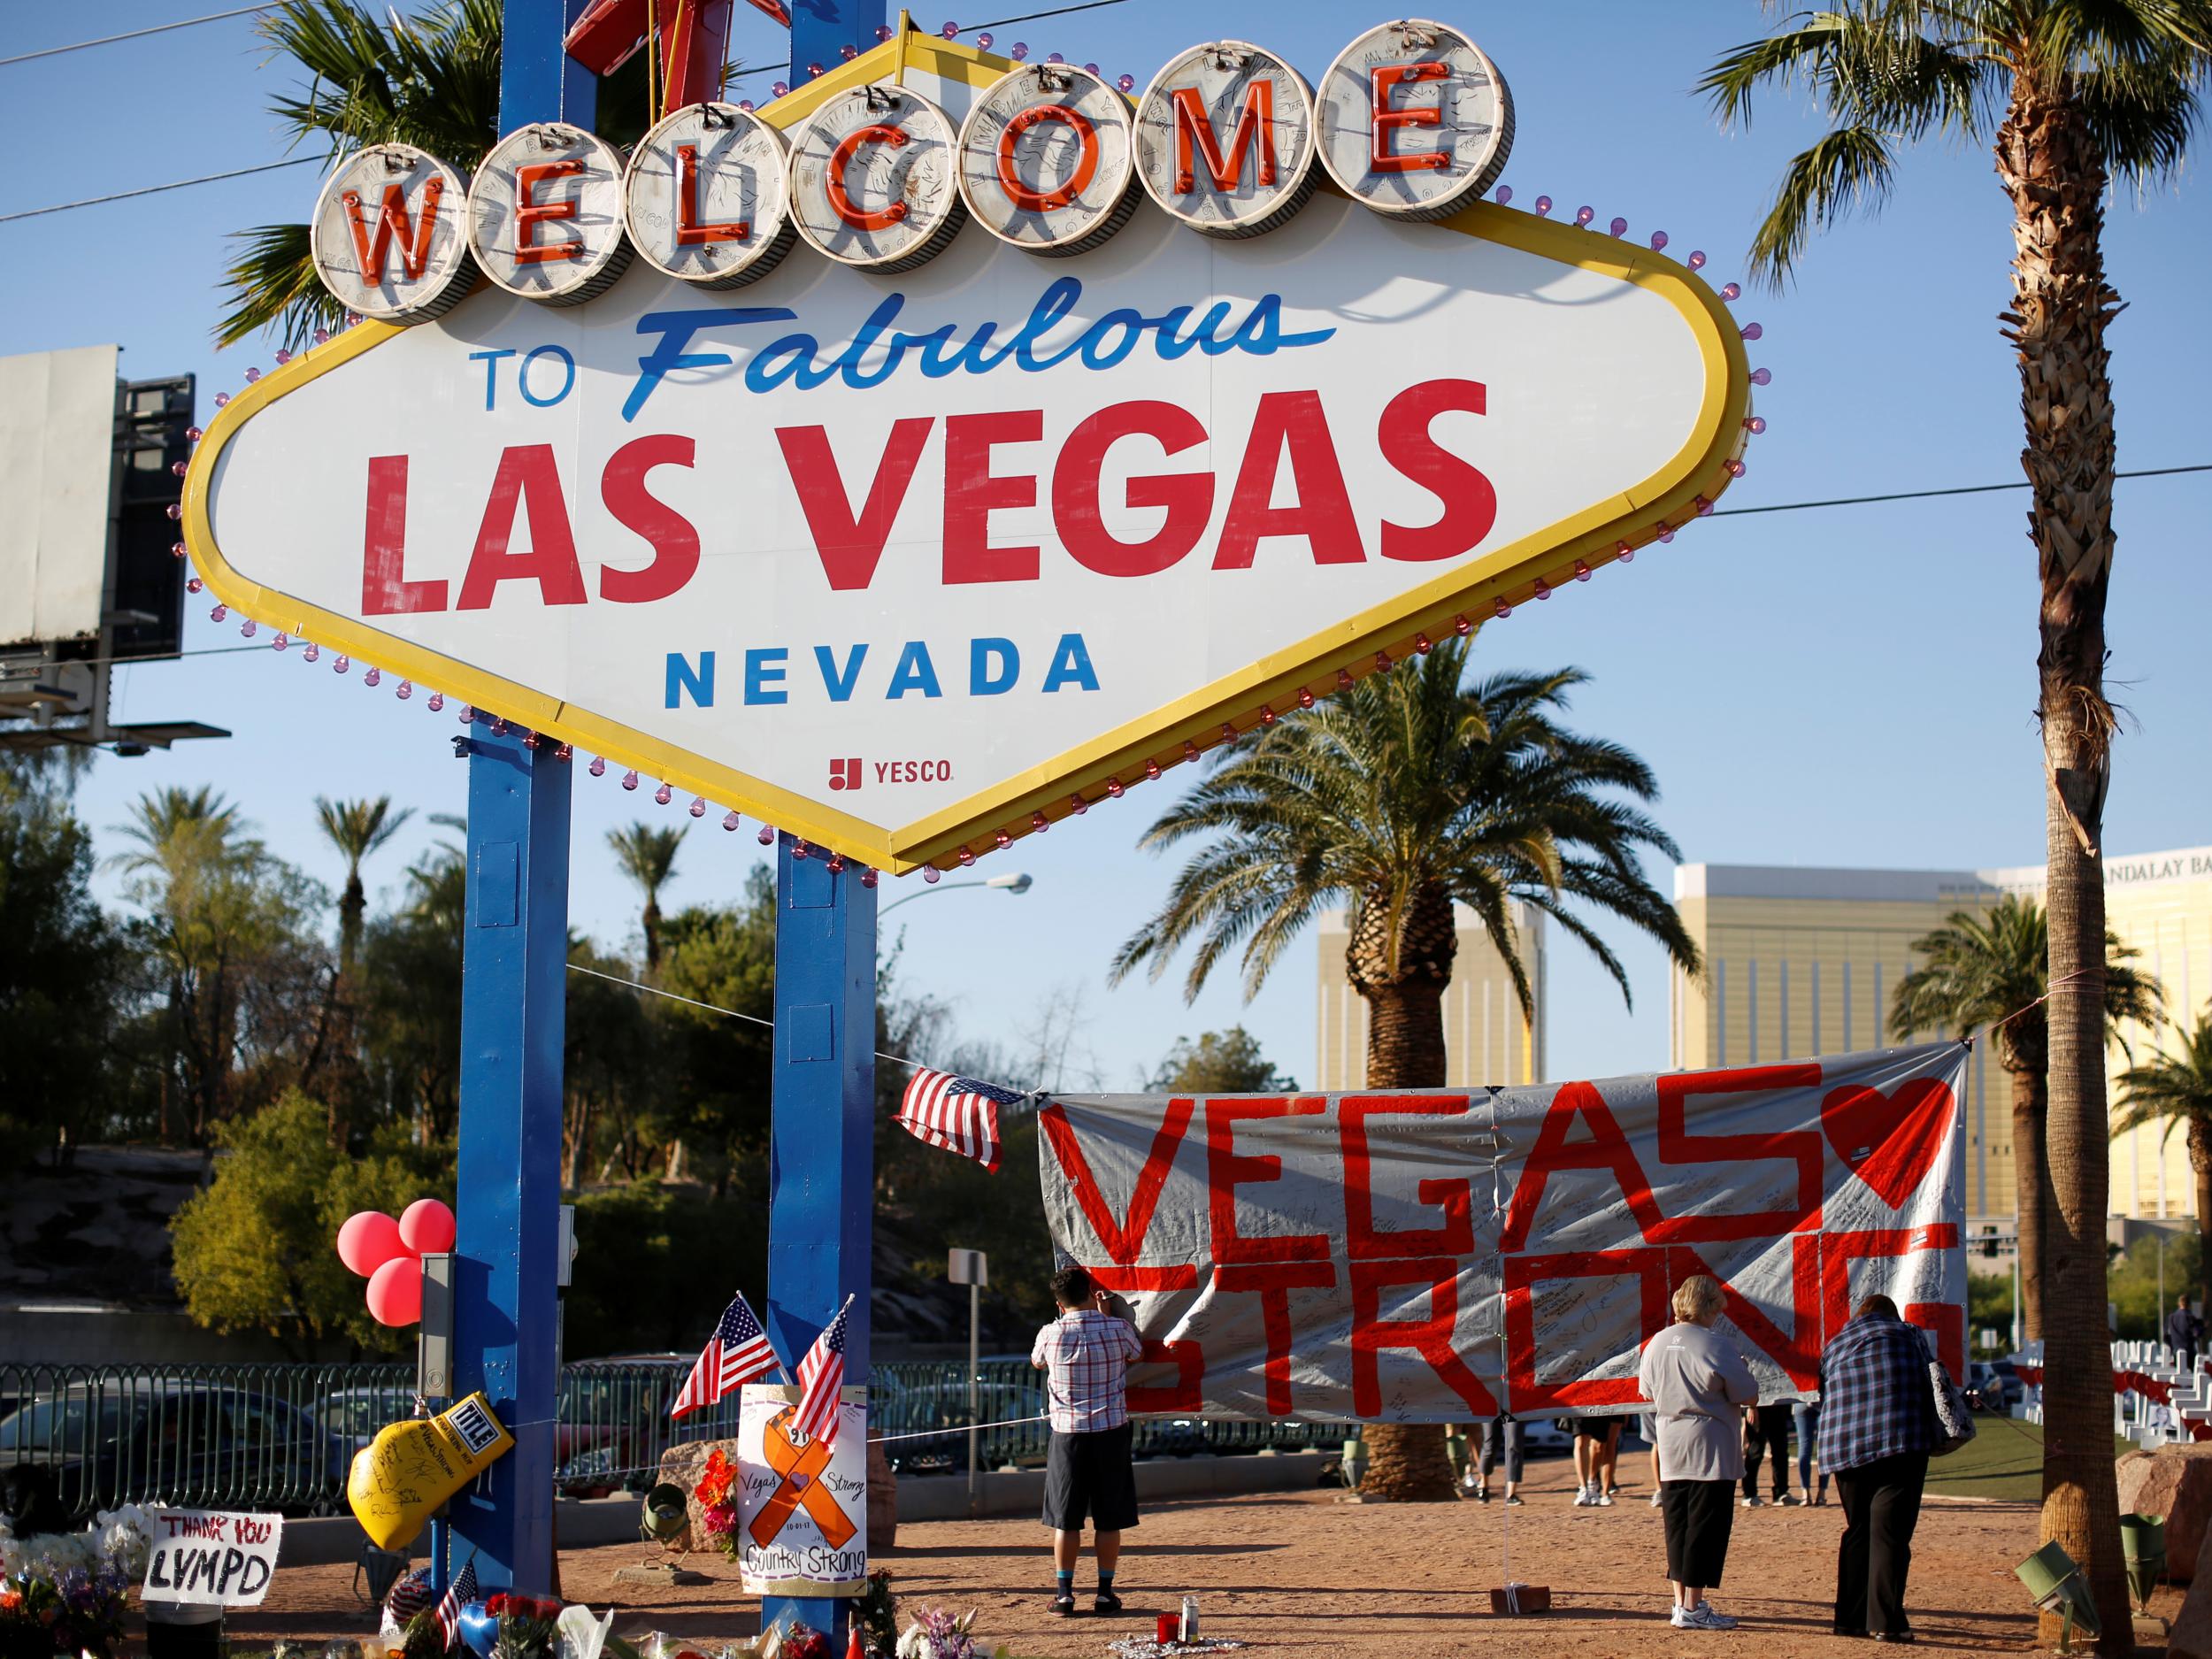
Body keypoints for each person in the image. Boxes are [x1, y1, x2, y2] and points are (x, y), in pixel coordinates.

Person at [1638, 1273, 1759, 1631]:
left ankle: (1681, 1604)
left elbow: (1646, 1392)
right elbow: (1746, 1393)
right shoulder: (1715, 1343)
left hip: (1672, 1442)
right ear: (1708, 1307)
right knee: (1706, 1527)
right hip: (1711, 1444)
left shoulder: (1656, 1343)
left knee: (1678, 1526)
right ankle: (1693, 1606)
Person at [1821, 1294, 1940, 1643]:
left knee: (1858, 1529)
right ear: (1893, 1314)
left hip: (1843, 1446)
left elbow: (1823, 1388)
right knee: (1889, 1534)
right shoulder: (1909, 1334)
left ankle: (1848, 1619)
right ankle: (1886, 1622)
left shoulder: (1835, 1343)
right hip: (1900, 1442)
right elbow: (1931, 1377)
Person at [1031, 1263, 1144, 1618]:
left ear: (1059, 1303)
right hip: (1111, 1432)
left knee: (1067, 1520)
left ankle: (1064, 1594)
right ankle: (1105, 1594)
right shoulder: (1117, 1328)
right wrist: (1106, 1315)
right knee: (1109, 1519)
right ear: (1092, 1292)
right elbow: (1138, 1354)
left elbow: (1037, 1363)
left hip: (1068, 1436)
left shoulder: (1049, 1333)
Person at [1740, 1394, 1794, 1506]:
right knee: (1755, 1451)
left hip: (1779, 1404)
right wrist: (1751, 1407)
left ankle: (1781, 1493)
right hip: (1758, 1406)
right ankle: (1749, 1494)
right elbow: (1749, 1380)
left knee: (1781, 1451)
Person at [1571, 1413, 1623, 1505]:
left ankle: (1593, 1484)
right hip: (1580, 1403)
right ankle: (1583, 1488)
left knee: (1601, 1445)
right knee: (1581, 1439)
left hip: (1601, 1404)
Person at [1476, 1412, 1525, 1504]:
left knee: (1515, 1444)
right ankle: (1483, 1486)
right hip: (1492, 1404)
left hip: (1515, 1404)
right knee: (1490, 1445)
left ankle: (1511, 1494)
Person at [1794, 1398, 1829, 1506]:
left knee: (1804, 1447)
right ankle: (1821, 1495)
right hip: (1824, 1401)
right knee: (1824, 1449)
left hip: (1802, 1400)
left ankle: (1805, 1495)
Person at [2168, 1300, 2202, 1375]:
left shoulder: (2172, 1316)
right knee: (2193, 1376)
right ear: (2189, 1305)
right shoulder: (2189, 1316)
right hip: (2189, 1350)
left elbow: (2166, 1335)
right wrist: (2203, 1327)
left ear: (2179, 1303)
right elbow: (2197, 1332)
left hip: (2176, 1350)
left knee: (2179, 1374)